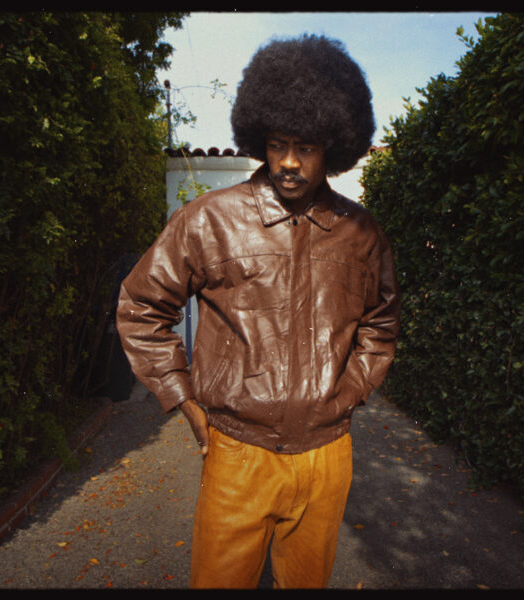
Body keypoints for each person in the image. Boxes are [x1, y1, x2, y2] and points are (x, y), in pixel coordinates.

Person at [116, 34, 401, 589]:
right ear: (259, 139)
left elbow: (381, 323)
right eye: (277, 145)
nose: (289, 162)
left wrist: (348, 393)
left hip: (326, 457)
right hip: (237, 453)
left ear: (333, 146)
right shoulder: (209, 220)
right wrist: (183, 397)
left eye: (306, 147)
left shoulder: (361, 234)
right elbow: (142, 305)